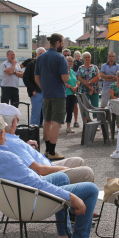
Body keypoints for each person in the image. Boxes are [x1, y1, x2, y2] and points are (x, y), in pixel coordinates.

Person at [0, 113, 103, 238]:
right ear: (2, 134)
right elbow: (38, 184)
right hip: (31, 204)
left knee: (62, 177)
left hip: (11, 203)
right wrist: (72, 197)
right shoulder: (8, 159)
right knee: (91, 189)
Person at [0, 103, 95, 184]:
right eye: (17, 119)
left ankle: (73, 193)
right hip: (43, 175)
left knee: (79, 161)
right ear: (14, 121)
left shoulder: (4, 138)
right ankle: (71, 197)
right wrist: (63, 169)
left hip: (44, 165)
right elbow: (39, 170)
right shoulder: (13, 144)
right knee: (87, 172)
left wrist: (26, 146)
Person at [34, 33, 70, 161]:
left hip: (46, 94)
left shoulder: (40, 57)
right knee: (57, 123)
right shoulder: (60, 58)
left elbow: (36, 78)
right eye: (63, 42)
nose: (63, 45)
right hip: (58, 94)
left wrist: (44, 88)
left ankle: (47, 150)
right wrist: (68, 71)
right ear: (58, 43)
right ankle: (52, 152)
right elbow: (65, 78)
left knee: (47, 121)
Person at [22, 47, 45, 126]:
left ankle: (47, 134)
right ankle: (33, 132)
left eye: (44, 54)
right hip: (36, 93)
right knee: (36, 115)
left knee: (47, 116)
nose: (42, 55)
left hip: (47, 93)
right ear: (36, 54)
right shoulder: (31, 64)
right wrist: (32, 89)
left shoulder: (48, 64)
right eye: (40, 54)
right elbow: (26, 78)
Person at [64, 56, 79, 133]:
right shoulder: (63, 71)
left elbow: (76, 81)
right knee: (63, 111)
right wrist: (70, 87)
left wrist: (76, 87)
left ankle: (68, 127)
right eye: (68, 61)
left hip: (72, 93)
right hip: (65, 93)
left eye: (71, 61)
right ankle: (58, 126)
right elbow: (62, 82)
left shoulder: (72, 71)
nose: (70, 62)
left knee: (70, 110)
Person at [71, 50, 83, 127]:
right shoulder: (75, 62)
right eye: (77, 56)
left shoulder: (80, 62)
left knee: (75, 104)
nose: (78, 57)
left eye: (79, 56)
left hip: (76, 83)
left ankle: (75, 121)